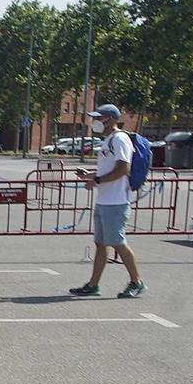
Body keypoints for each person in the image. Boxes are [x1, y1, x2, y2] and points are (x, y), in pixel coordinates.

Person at [69, 104, 145, 300]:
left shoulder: (120, 139)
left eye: (99, 118)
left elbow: (123, 169)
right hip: (105, 200)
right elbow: (108, 170)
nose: (95, 122)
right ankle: (93, 284)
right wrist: (91, 176)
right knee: (101, 243)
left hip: (116, 202)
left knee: (118, 243)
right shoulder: (109, 140)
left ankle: (136, 281)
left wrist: (97, 181)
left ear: (110, 119)